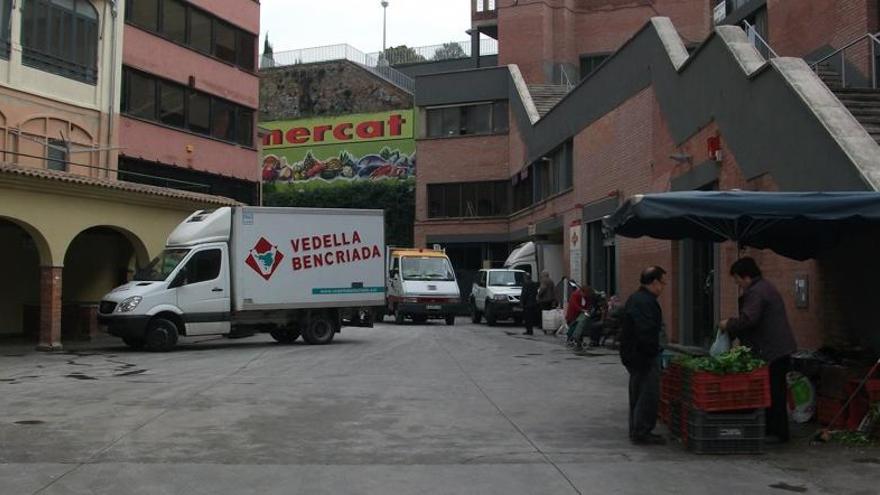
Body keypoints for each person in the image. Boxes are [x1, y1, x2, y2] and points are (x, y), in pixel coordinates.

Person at [720, 257, 797, 444]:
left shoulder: (756, 292)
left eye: (737, 280)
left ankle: (777, 433)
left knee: (774, 392)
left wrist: (728, 324)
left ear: (745, 277)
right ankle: (774, 430)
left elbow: (749, 319)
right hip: (778, 349)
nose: (737, 284)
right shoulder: (765, 287)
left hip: (773, 351)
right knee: (774, 390)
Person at [619, 266, 667, 445]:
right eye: (662, 283)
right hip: (642, 356)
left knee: (639, 391)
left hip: (634, 354)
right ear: (654, 283)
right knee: (648, 393)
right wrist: (652, 352)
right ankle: (642, 430)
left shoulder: (637, 298)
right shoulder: (645, 301)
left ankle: (638, 428)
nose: (663, 287)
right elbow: (645, 331)